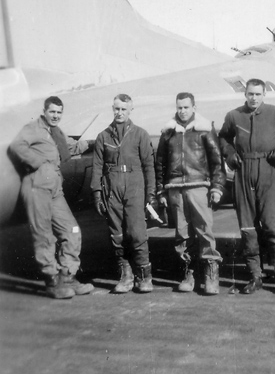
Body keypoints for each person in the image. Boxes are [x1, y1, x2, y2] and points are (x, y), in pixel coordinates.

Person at [9, 96, 94, 299]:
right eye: (52, 111)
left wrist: (94, 141)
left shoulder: (56, 133)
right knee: (44, 234)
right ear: (45, 111)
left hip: (56, 188)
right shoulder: (33, 128)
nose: (55, 115)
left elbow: (70, 147)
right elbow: (17, 146)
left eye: (59, 112)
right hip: (38, 186)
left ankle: (68, 276)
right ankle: (52, 281)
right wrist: (38, 162)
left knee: (71, 230)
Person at [219, 78, 275, 295]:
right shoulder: (234, 115)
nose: (254, 98)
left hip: (268, 170)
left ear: (264, 95)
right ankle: (256, 276)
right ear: (245, 94)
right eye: (250, 94)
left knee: (272, 226)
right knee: (248, 228)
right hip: (243, 172)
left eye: (258, 94)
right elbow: (223, 138)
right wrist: (230, 154)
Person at [155, 92, 226, 295]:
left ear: (194, 107)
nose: (182, 111)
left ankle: (211, 274)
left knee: (205, 230)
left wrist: (217, 187)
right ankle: (189, 272)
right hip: (175, 189)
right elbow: (160, 163)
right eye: (179, 107)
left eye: (186, 107)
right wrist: (161, 190)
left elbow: (216, 161)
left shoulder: (204, 130)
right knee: (182, 233)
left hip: (199, 187)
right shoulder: (168, 132)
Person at [91, 94, 155, 294]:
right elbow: (97, 167)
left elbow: (149, 166)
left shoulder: (140, 134)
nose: (119, 113)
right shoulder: (103, 136)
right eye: (116, 109)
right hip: (112, 188)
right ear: (113, 109)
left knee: (137, 233)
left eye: (123, 109)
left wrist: (150, 193)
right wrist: (97, 193)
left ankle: (144, 276)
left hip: (135, 186)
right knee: (116, 234)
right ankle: (126, 275)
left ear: (130, 110)